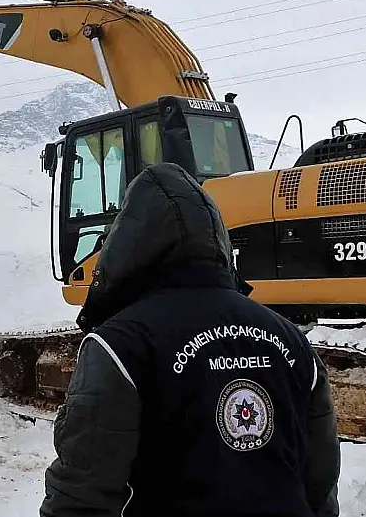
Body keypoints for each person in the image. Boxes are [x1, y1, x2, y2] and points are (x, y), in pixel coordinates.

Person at [39, 162, 340, 517]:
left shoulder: (121, 345)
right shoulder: (290, 339)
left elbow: (81, 496)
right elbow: (319, 486)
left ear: (129, 243)